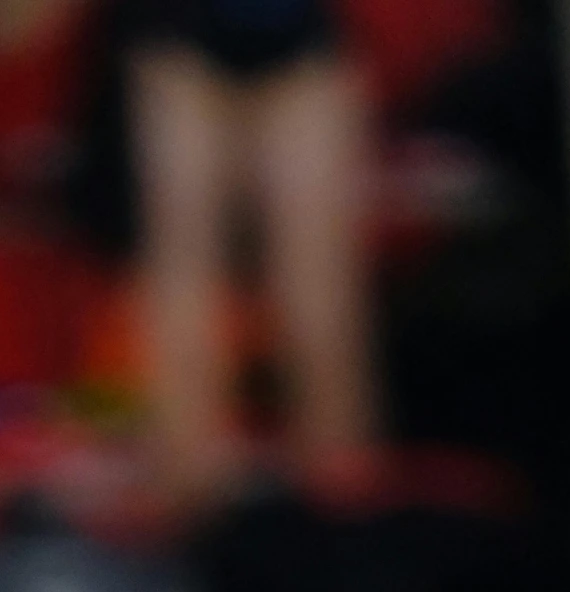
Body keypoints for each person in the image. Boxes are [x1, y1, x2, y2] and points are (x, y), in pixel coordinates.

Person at [103, 0, 377, 493]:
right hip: (188, 37)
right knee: (189, 271)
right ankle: (194, 488)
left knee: (314, 284)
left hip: (287, 36)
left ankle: (340, 489)